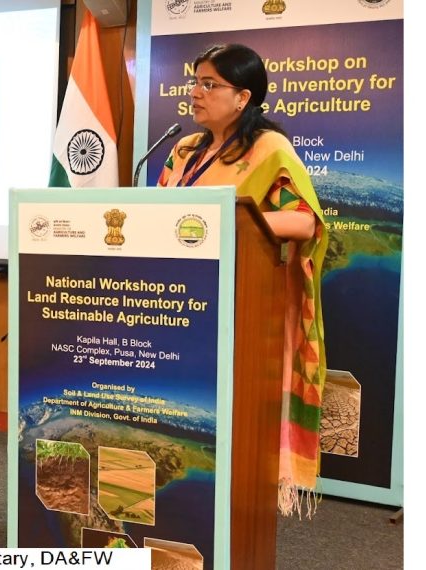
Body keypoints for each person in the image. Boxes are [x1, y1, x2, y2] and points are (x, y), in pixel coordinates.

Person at [156, 44, 328, 517]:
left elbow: (303, 223)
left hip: (239, 302)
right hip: (176, 300)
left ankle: (233, 503)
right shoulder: (183, 148)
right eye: (194, 81)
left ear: (243, 96)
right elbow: (158, 211)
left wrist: (226, 226)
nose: (195, 92)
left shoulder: (269, 148)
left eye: (209, 84)